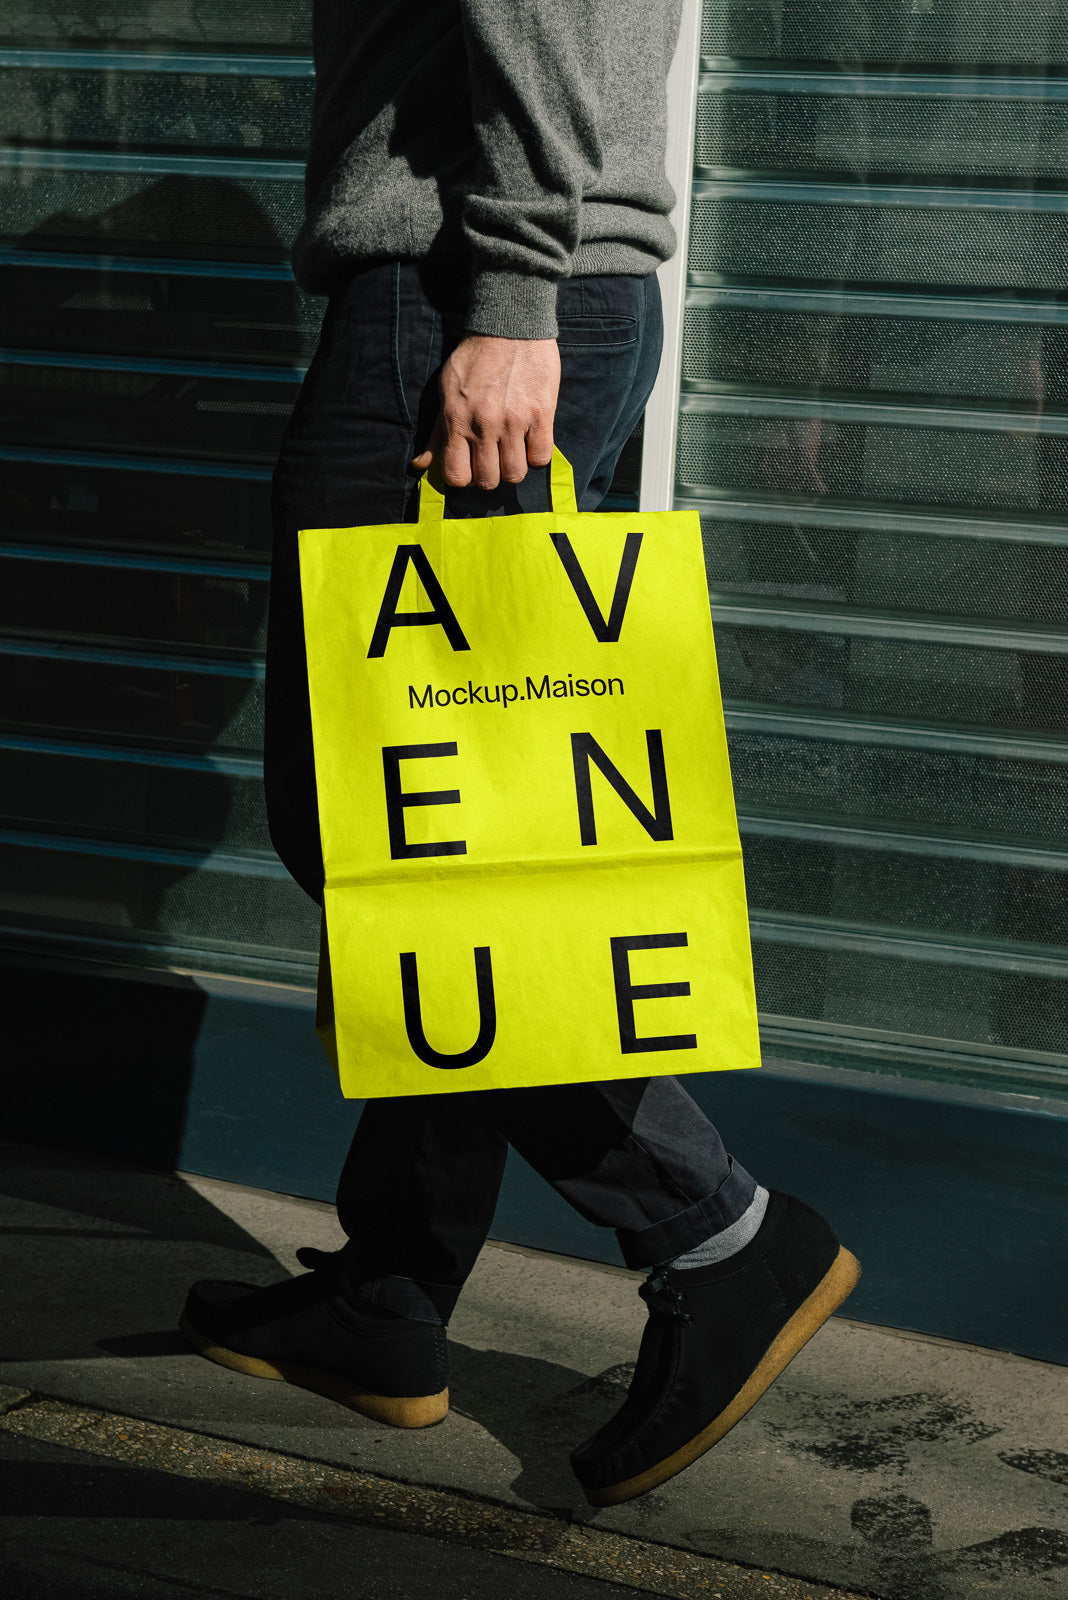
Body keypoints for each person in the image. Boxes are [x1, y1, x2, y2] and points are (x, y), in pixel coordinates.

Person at [179, 0, 860, 1507]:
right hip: (515, 287)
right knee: (464, 819)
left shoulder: (496, 295)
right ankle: (392, 1294)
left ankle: (720, 1232)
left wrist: (513, 299)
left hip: (466, 299)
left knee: (376, 826)